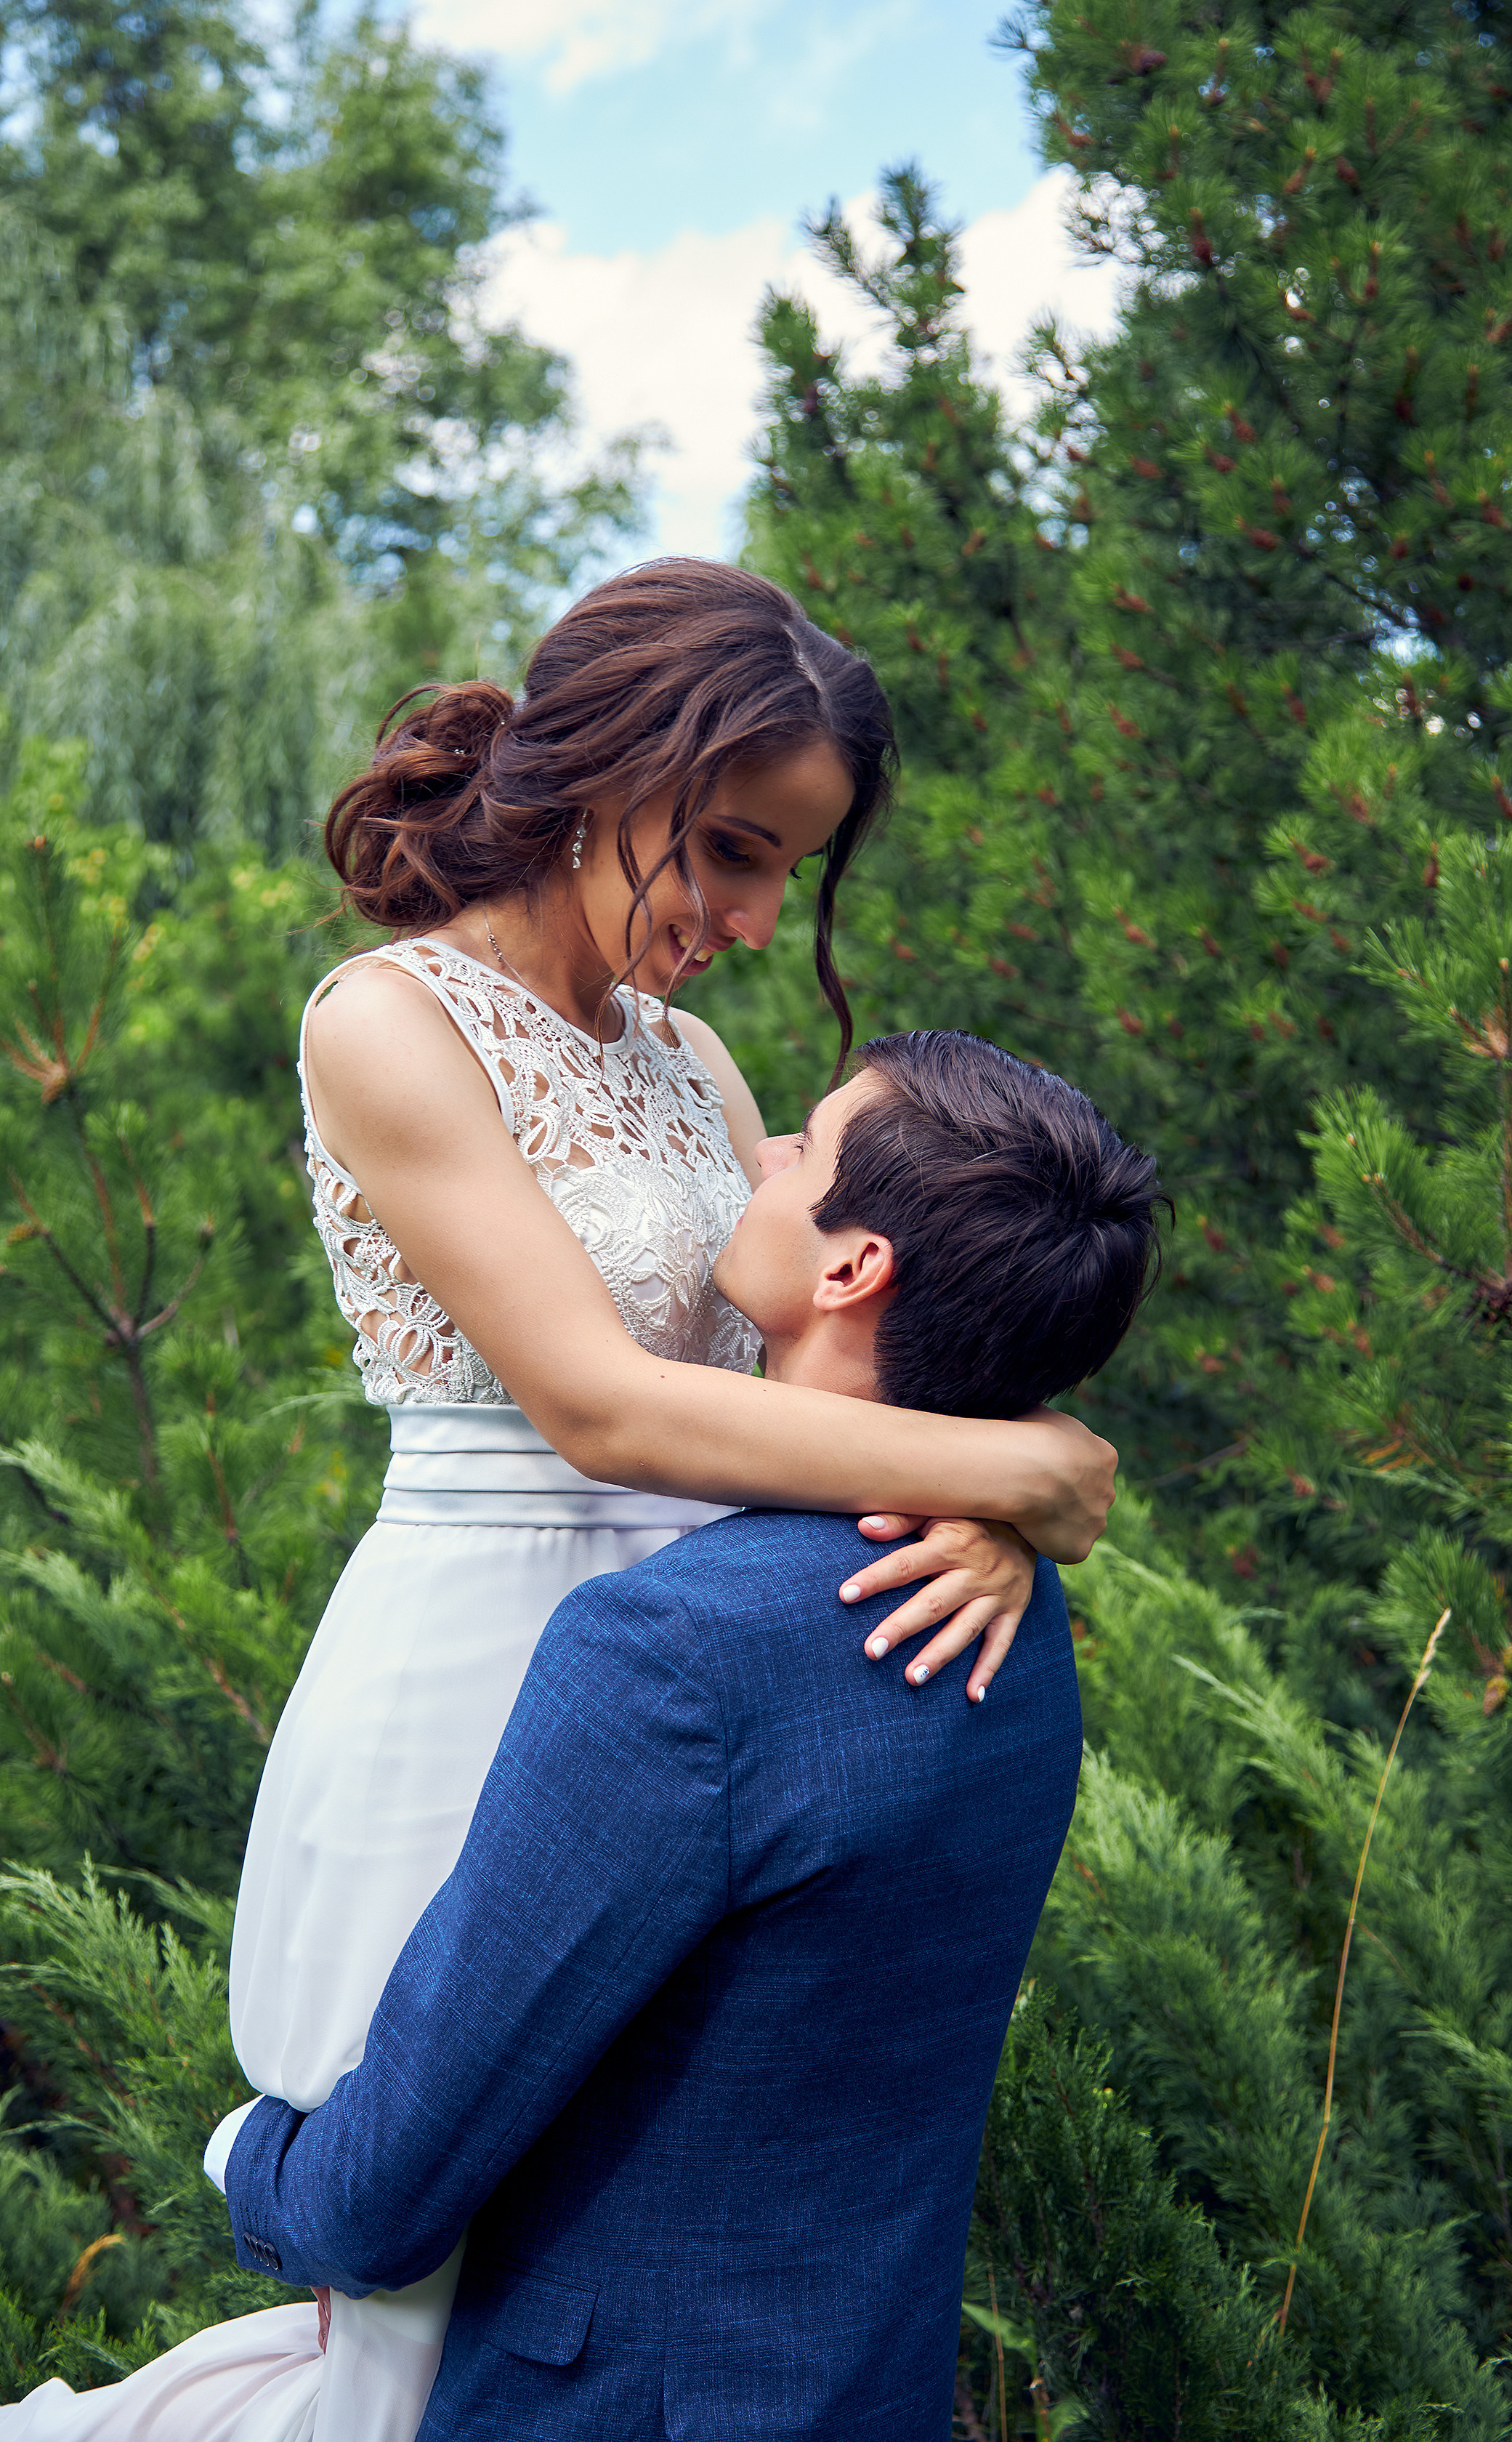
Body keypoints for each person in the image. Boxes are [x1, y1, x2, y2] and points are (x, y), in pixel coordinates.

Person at [0, 565, 1117, 2439]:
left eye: (789, 878)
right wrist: (1015, 1462)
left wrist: (990, 1505)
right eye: (737, 854)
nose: (756, 924)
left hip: (712, 1659)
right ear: (612, 767)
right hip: (481, 1649)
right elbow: (601, 1406)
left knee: (609, 2217)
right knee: (419, 2256)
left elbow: (811, 1357)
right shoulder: (387, 1021)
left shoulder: (687, 1059)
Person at [217, 1028, 1165, 2438]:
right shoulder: (1010, 1604)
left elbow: (375, 2204)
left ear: (850, 1267)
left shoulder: (672, 1652)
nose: (761, 1156)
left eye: (804, 1147)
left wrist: (248, 2158)